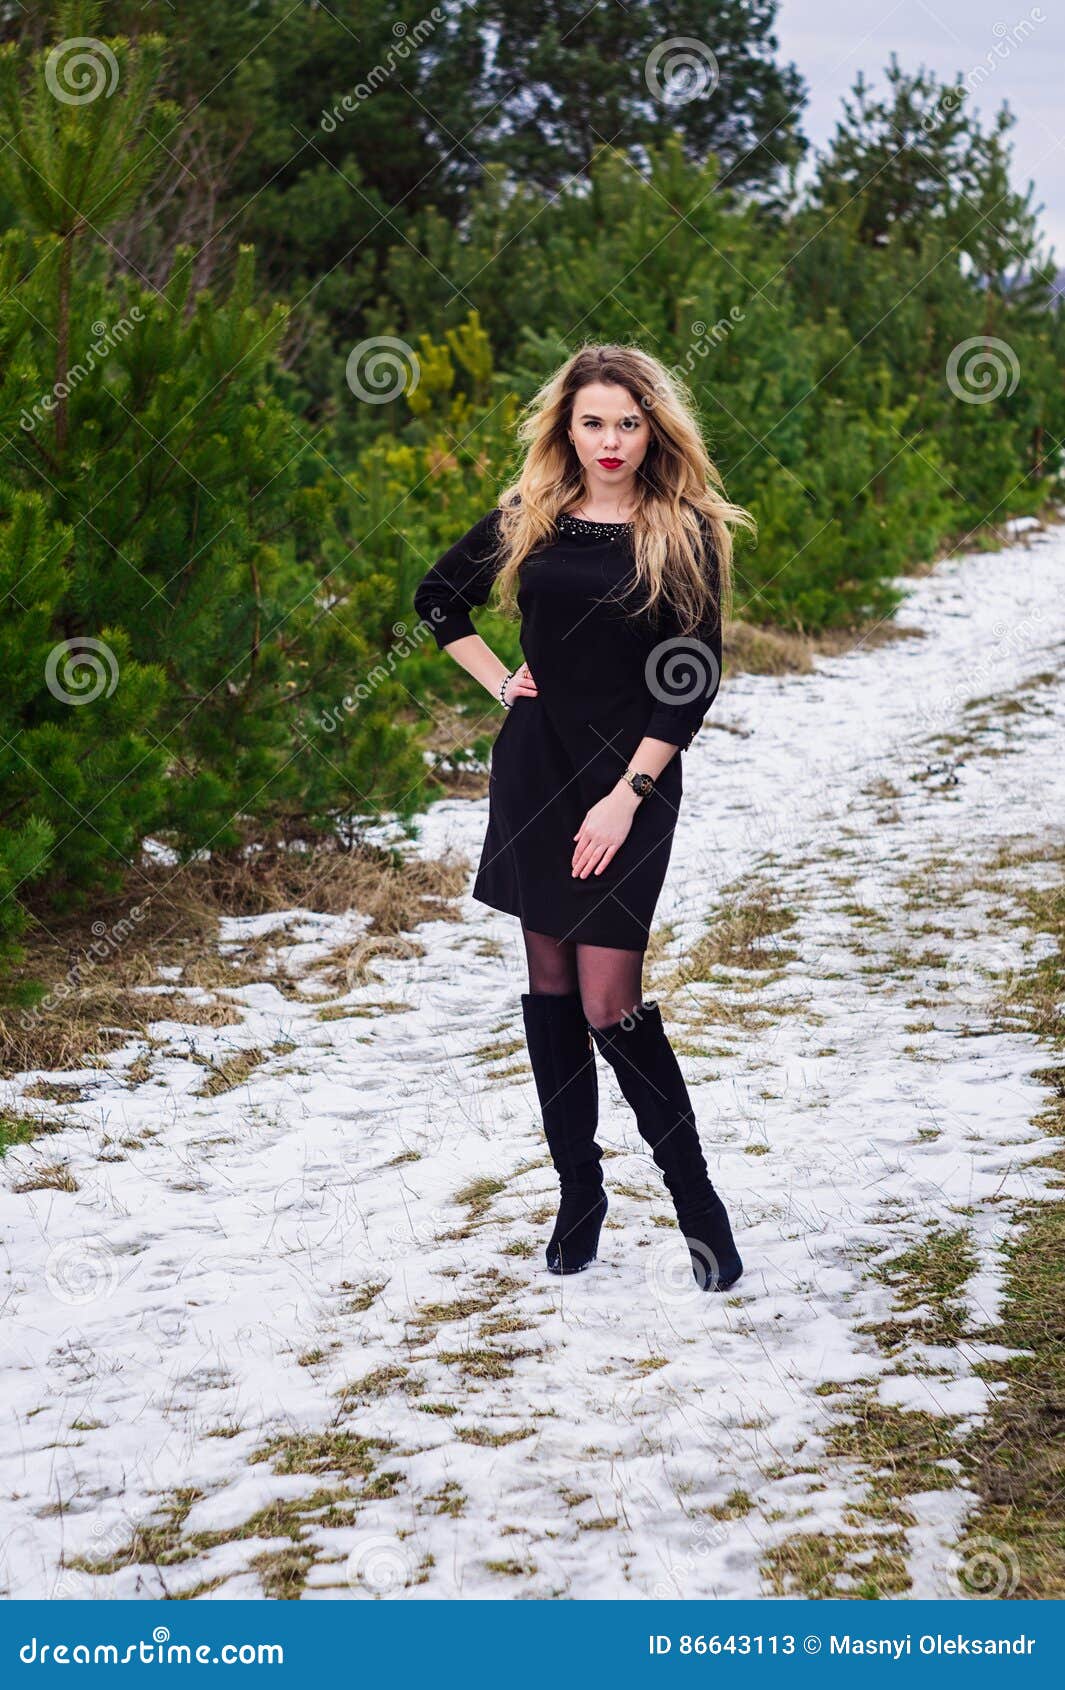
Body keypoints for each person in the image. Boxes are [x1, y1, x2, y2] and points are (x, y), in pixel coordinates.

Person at [413, 344, 756, 1291]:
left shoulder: (680, 530)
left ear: (655, 429)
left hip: (630, 780)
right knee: (551, 985)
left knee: (613, 1000)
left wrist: (627, 794)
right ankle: (578, 1196)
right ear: (566, 427)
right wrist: (501, 684)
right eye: (592, 421)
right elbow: (437, 600)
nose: (610, 441)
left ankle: (698, 1206)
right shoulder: (531, 517)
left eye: (628, 423)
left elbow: (690, 679)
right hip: (536, 771)